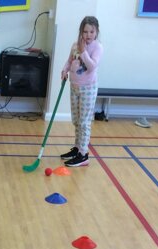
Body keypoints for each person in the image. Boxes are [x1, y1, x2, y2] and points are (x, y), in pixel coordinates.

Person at [60, 16, 103, 167]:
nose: (88, 35)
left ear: (96, 32)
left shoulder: (97, 47)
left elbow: (91, 67)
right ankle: (77, 148)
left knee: (84, 122)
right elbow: (70, 61)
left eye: (92, 32)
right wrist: (64, 70)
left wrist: (83, 51)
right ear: (81, 32)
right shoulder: (75, 45)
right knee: (76, 120)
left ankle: (83, 154)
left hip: (88, 88)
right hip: (74, 86)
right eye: (85, 32)